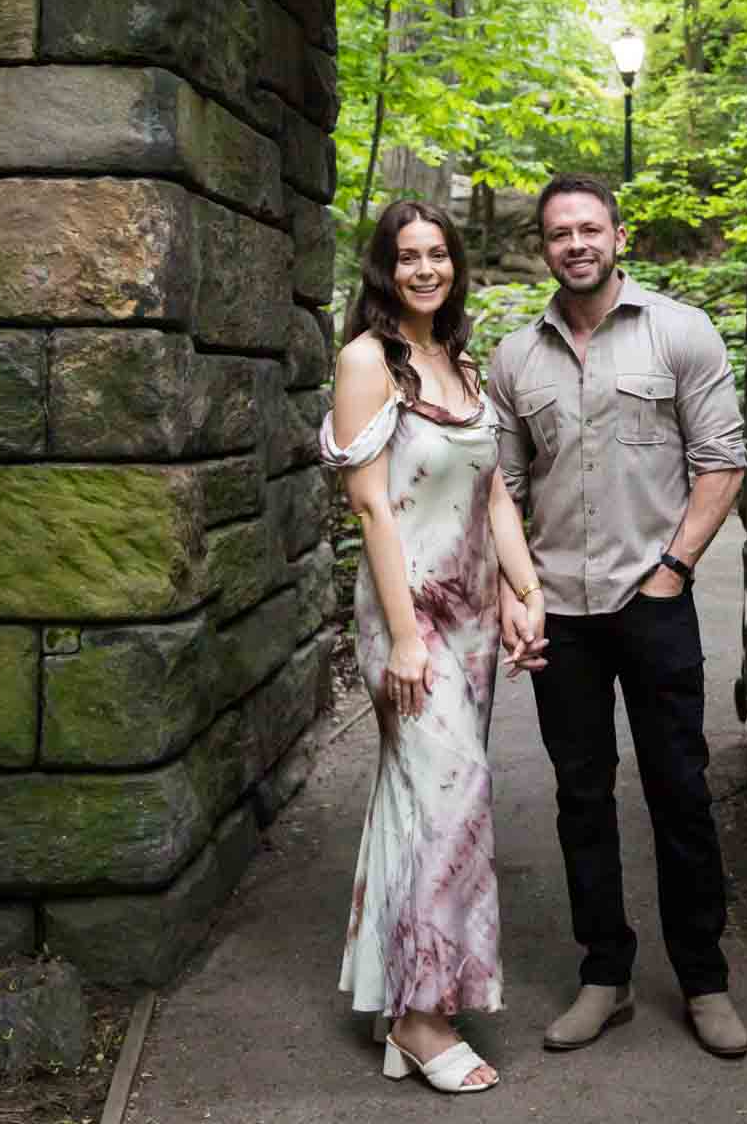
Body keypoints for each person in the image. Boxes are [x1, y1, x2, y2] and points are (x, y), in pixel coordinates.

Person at [488, 173, 747, 1058]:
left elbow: (722, 460)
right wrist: (516, 593)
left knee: (679, 791)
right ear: (543, 246)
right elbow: (502, 487)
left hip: (655, 602)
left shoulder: (680, 331)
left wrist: (675, 570)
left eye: (589, 228)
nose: (576, 244)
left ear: (618, 236)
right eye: (559, 233)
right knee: (580, 797)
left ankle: (705, 981)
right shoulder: (515, 358)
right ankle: (605, 975)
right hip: (561, 610)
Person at [319, 199, 546, 1094]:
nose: (425, 268)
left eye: (438, 254)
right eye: (407, 255)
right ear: (383, 266)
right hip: (409, 623)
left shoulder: (456, 360)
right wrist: (405, 642)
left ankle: (405, 991)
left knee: (423, 805)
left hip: (475, 622)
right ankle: (420, 1018)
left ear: (454, 264)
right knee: (449, 805)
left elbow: (494, 497)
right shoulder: (366, 361)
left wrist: (527, 594)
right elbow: (371, 506)